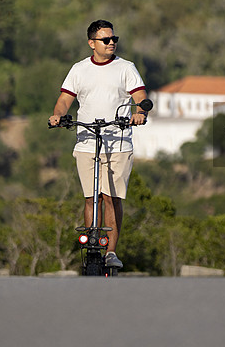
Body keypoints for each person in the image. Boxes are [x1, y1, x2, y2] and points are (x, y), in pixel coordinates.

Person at [49, 19, 148, 269]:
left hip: (119, 142)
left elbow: (140, 98)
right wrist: (58, 115)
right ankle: (91, 242)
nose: (112, 43)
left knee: (111, 197)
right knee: (91, 196)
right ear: (92, 43)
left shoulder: (126, 68)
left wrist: (140, 113)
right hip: (86, 141)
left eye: (114, 39)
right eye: (106, 40)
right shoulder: (79, 69)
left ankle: (110, 252)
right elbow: (64, 99)